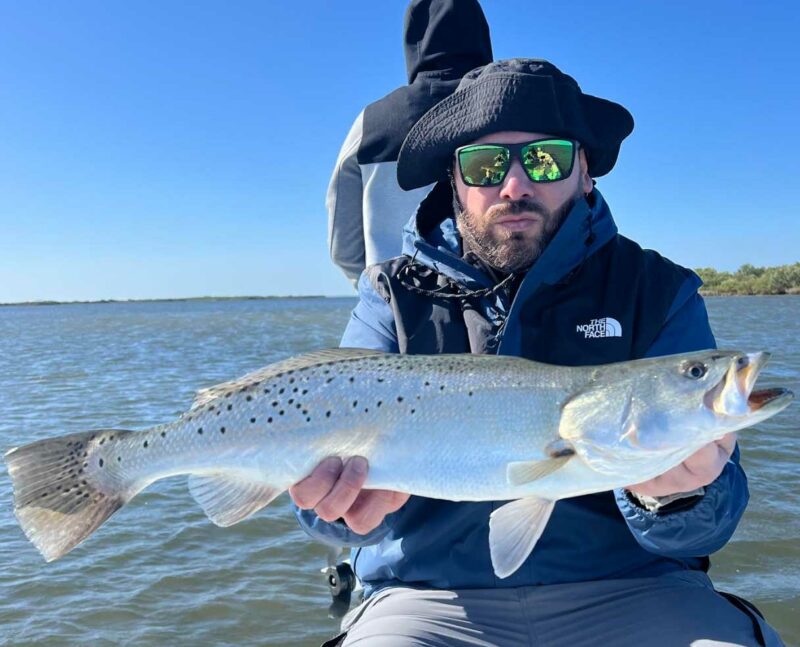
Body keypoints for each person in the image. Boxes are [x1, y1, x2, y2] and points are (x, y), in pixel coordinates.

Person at [297, 60, 785, 646]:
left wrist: (678, 497)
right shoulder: (389, 295)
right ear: (454, 180)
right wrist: (335, 508)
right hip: (425, 599)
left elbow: (702, 534)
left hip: (638, 591)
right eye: (484, 164)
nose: (515, 186)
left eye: (545, 158)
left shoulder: (656, 289)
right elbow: (322, 500)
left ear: (585, 172)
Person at [327, 0, 492, 287]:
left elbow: (342, 244)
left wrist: (375, 289)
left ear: (412, 43)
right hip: (500, 307)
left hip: (395, 308)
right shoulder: (506, 110)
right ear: (482, 37)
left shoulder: (372, 122)